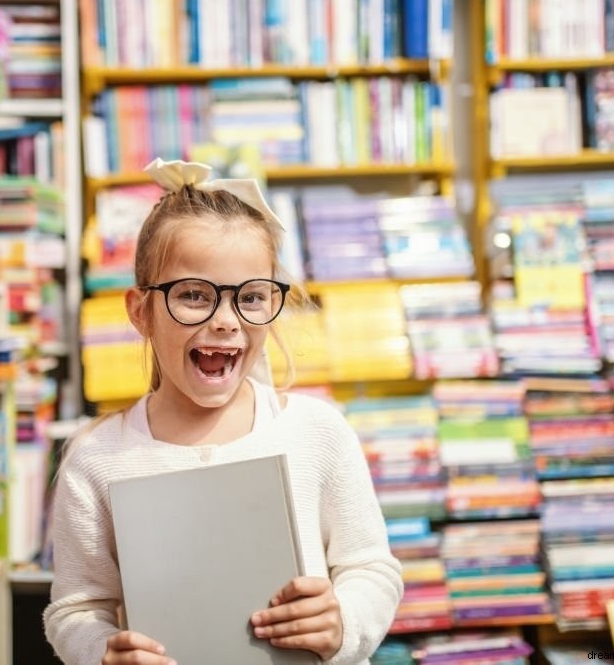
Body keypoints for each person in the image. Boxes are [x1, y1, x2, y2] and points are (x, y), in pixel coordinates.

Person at [43, 158, 402, 665]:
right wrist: (102, 651)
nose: (226, 322)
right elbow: (76, 608)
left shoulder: (317, 431)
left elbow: (371, 569)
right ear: (141, 311)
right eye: (193, 295)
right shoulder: (96, 457)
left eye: (252, 297)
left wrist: (343, 620)